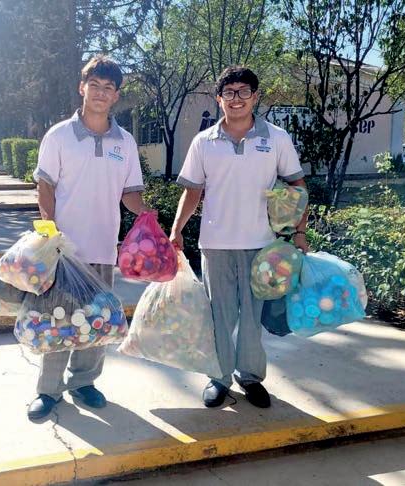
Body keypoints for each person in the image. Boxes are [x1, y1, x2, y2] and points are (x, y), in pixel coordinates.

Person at [170, 66, 309, 409]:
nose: (236, 99)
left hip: (262, 246)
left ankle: (250, 377)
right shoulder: (204, 142)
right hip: (215, 244)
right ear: (219, 99)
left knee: (252, 316)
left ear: (255, 97)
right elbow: (192, 191)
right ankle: (218, 377)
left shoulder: (276, 138)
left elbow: (297, 186)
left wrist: (300, 232)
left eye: (244, 91)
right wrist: (176, 230)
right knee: (220, 315)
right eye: (229, 92)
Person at [29, 55, 153, 420]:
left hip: (103, 248)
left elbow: (129, 193)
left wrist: (146, 215)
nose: (100, 93)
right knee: (57, 321)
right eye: (94, 85)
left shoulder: (125, 142)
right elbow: (45, 186)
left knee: (97, 320)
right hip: (64, 251)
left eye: (108, 88)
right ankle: (49, 390)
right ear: (82, 88)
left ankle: (83, 383)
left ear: (116, 96)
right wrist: (50, 231)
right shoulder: (59, 136)